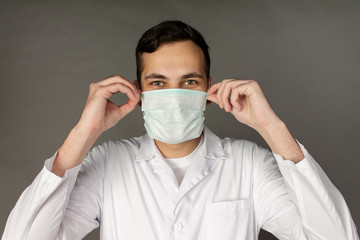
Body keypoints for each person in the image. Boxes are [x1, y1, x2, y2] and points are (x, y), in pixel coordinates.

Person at [2, 20, 358, 240]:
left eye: (188, 81)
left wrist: (272, 128)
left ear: (208, 91)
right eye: (158, 82)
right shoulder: (109, 163)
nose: (173, 95)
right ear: (138, 93)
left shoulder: (248, 164)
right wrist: (83, 133)